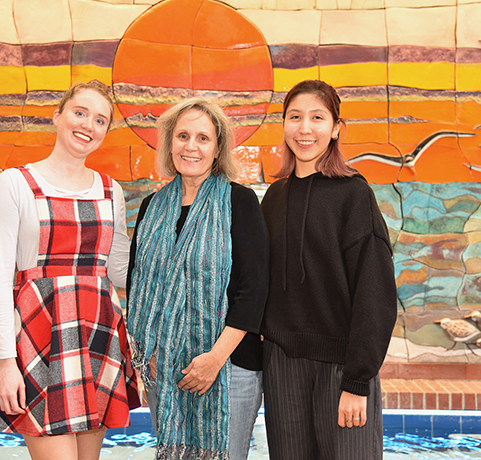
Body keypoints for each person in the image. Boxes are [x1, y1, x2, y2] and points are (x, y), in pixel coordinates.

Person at [0, 80, 140, 460]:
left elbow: (119, 272)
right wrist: (6, 364)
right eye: (80, 112)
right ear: (57, 116)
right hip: (41, 340)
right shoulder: (16, 184)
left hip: (97, 339)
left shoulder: (110, 190)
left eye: (100, 120)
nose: (88, 125)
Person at [260, 80, 397, 459]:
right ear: (284, 124)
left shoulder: (354, 195)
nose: (305, 128)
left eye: (317, 117)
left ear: (336, 127)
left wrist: (357, 381)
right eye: (295, 117)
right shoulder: (274, 197)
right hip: (283, 365)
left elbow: (376, 294)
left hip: (342, 368)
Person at [127, 98, 269, 459]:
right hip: (166, 368)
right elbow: (137, 286)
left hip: (230, 367)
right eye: (183, 136)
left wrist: (214, 360)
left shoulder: (240, 202)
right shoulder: (151, 208)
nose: (191, 146)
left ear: (218, 148)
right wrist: (152, 353)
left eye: (203, 138)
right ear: (169, 143)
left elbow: (254, 292)